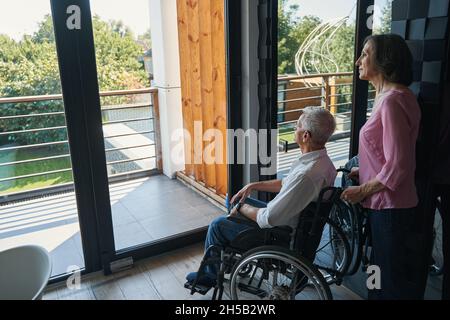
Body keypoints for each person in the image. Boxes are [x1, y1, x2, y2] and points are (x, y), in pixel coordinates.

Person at [186, 106, 337, 288]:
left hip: (280, 233)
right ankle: (228, 256)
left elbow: (269, 217)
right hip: (291, 220)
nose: (294, 129)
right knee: (232, 198)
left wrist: (242, 208)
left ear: (306, 136)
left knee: (217, 226)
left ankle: (209, 276)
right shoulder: (322, 162)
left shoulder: (307, 174)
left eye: (297, 126)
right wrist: (252, 186)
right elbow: (285, 183)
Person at [341, 34, 422, 300]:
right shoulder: (393, 96)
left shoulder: (391, 101)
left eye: (365, 54)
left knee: (389, 280)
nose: (358, 61)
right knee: (377, 269)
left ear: (384, 60)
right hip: (385, 205)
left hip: (389, 207)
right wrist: (363, 169)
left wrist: (363, 189)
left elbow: (399, 164)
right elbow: (386, 153)